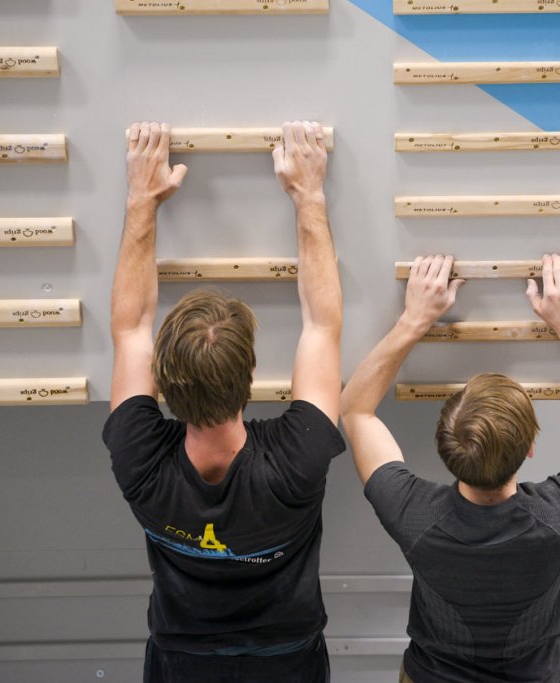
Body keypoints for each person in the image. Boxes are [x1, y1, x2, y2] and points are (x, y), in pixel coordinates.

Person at [104, 121, 344, 682]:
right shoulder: (296, 460)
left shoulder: (139, 458)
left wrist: (143, 197)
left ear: (161, 382)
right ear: (252, 374)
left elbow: (131, 328)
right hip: (287, 663)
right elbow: (322, 327)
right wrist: (307, 193)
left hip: (181, 664)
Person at [340, 254, 560, 683]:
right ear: (530, 450)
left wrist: (413, 320)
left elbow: (355, 411)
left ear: (445, 448)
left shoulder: (415, 515)